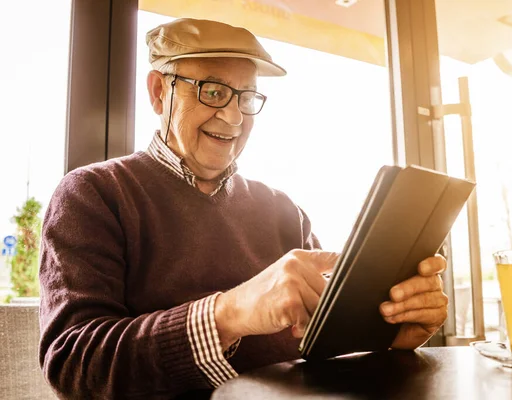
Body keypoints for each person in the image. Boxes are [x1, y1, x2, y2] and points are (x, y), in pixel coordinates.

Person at [38, 18, 449, 399]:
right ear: (159, 93)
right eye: (213, 91)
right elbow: (74, 365)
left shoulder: (284, 211)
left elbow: (322, 348)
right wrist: (230, 313)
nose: (233, 116)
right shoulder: (92, 194)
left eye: (247, 96)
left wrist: (395, 332)